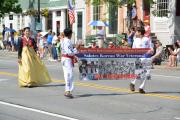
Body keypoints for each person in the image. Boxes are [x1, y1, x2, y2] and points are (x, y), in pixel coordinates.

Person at [130, 27, 153, 94]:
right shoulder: (135, 40)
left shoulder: (147, 39)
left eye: (137, 31)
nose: (136, 33)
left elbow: (151, 48)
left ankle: (141, 88)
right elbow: (133, 49)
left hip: (146, 58)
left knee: (146, 74)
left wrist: (150, 51)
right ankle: (132, 83)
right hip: (138, 58)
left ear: (140, 32)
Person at [61, 28, 79, 98]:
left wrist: (75, 49)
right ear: (70, 34)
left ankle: (67, 90)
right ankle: (68, 91)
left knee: (67, 75)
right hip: (67, 59)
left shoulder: (64, 40)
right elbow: (70, 52)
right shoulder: (67, 41)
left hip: (65, 58)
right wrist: (76, 49)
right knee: (69, 75)